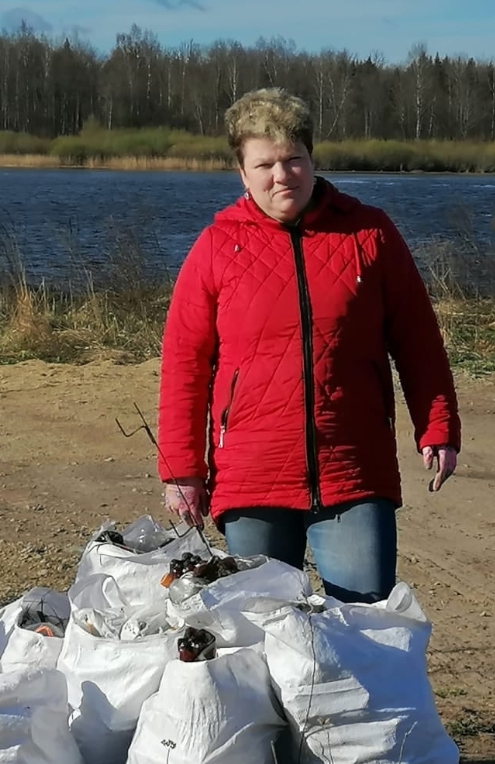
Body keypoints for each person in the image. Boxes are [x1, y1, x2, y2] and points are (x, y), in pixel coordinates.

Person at [157, 87, 460, 604]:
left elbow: (418, 340)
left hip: (354, 471)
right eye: (264, 164)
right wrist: (183, 471)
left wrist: (438, 426)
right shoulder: (216, 248)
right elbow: (186, 364)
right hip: (251, 476)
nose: (282, 175)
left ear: (312, 159)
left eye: (293, 159)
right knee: (262, 633)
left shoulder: (370, 234)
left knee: (366, 626)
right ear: (242, 173)